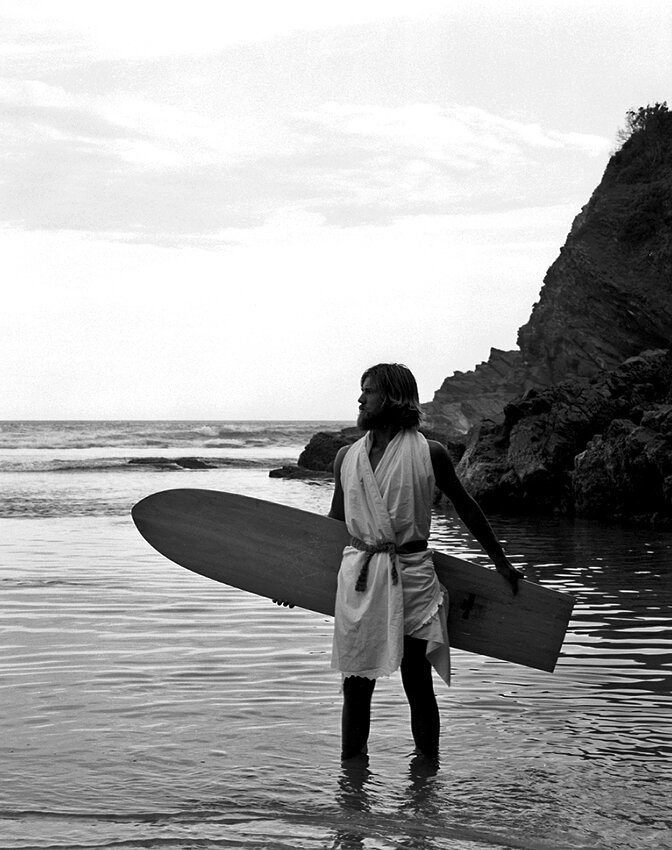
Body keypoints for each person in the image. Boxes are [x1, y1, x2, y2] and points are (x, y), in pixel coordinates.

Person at [327, 363, 523, 764]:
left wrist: (500, 562)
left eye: (369, 391)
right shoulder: (346, 458)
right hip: (360, 579)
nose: (360, 399)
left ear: (393, 398)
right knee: (356, 684)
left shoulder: (428, 452)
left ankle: (426, 781)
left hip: (412, 574)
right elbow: (332, 526)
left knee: (416, 681)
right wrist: (285, 578)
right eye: (361, 391)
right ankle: (351, 782)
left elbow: (466, 507)